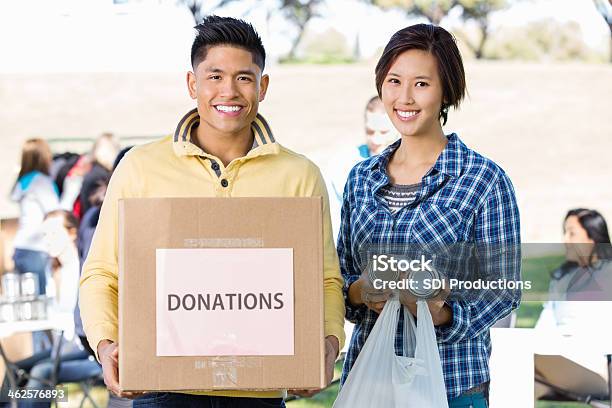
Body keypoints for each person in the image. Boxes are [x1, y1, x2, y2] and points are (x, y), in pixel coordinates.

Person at [79, 16, 345, 407]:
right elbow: (102, 272)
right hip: (163, 390)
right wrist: (106, 344)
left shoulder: (300, 176)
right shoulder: (139, 168)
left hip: (260, 392)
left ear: (262, 86)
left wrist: (327, 342)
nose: (229, 91)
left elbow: (323, 280)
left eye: (243, 77)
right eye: (215, 76)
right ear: (193, 84)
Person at [338, 24, 521, 407]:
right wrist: (361, 290)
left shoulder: (483, 180)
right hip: (369, 382)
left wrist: (442, 312)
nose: (404, 98)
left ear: (446, 92)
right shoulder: (360, 179)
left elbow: (503, 291)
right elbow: (339, 277)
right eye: (393, 81)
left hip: (452, 383)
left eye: (421, 84)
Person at [0, 211, 100, 408]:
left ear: (72, 233)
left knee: (41, 371)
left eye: (53, 234)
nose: (47, 240)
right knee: (13, 369)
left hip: (84, 350)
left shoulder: (83, 268)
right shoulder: (52, 269)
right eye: (44, 235)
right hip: (62, 346)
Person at [326, 96, 398, 240]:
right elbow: (334, 218)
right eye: (370, 132)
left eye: (384, 132)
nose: (376, 140)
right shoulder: (344, 164)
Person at [536, 208, 612, 333]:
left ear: (592, 238)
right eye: (565, 233)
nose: (565, 240)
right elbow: (545, 322)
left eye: (572, 234)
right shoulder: (562, 276)